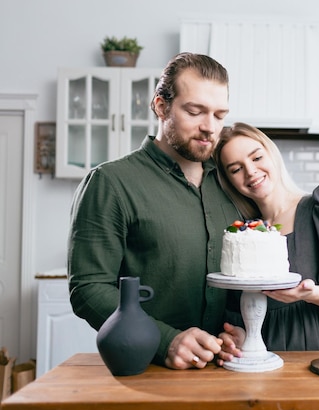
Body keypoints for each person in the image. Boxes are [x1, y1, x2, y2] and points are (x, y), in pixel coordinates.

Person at [67, 52, 241, 370]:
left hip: (227, 369)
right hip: (145, 369)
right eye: (195, 111)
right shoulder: (111, 182)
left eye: (219, 114)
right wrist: (165, 340)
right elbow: (88, 288)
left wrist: (237, 328)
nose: (209, 127)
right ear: (160, 106)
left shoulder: (232, 181)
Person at [212, 122, 319, 357]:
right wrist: (239, 338)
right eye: (236, 169)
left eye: (256, 158)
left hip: (318, 347)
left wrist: (310, 294)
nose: (250, 171)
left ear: (272, 154)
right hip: (259, 355)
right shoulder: (243, 237)